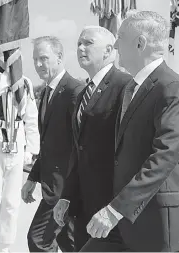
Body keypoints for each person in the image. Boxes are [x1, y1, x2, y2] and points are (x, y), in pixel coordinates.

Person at [78, 11, 179, 252]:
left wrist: (115, 210)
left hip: (158, 225)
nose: (115, 44)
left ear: (140, 43)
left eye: (120, 37)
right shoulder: (132, 87)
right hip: (125, 217)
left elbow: (164, 156)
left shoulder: (172, 88)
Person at [53, 26, 132, 250]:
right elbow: (79, 150)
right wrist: (67, 196)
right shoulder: (83, 93)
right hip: (84, 207)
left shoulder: (125, 86)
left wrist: (116, 207)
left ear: (109, 51)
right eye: (78, 43)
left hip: (110, 208)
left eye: (88, 43)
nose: (80, 48)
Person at [21, 36, 84, 252]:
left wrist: (69, 192)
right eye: (35, 59)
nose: (38, 65)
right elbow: (48, 143)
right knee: (70, 244)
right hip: (52, 184)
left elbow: (78, 146)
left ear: (59, 57)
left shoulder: (74, 91)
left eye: (44, 58)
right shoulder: (47, 91)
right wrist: (33, 177)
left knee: (39, 240)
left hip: (64, 188)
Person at [0, 64, 40, 253]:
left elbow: (31, 116)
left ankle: (5, 245)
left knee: (11, 200)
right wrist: (10, 75)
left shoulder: (26, 82)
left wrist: (32, 148)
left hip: (17, 138)